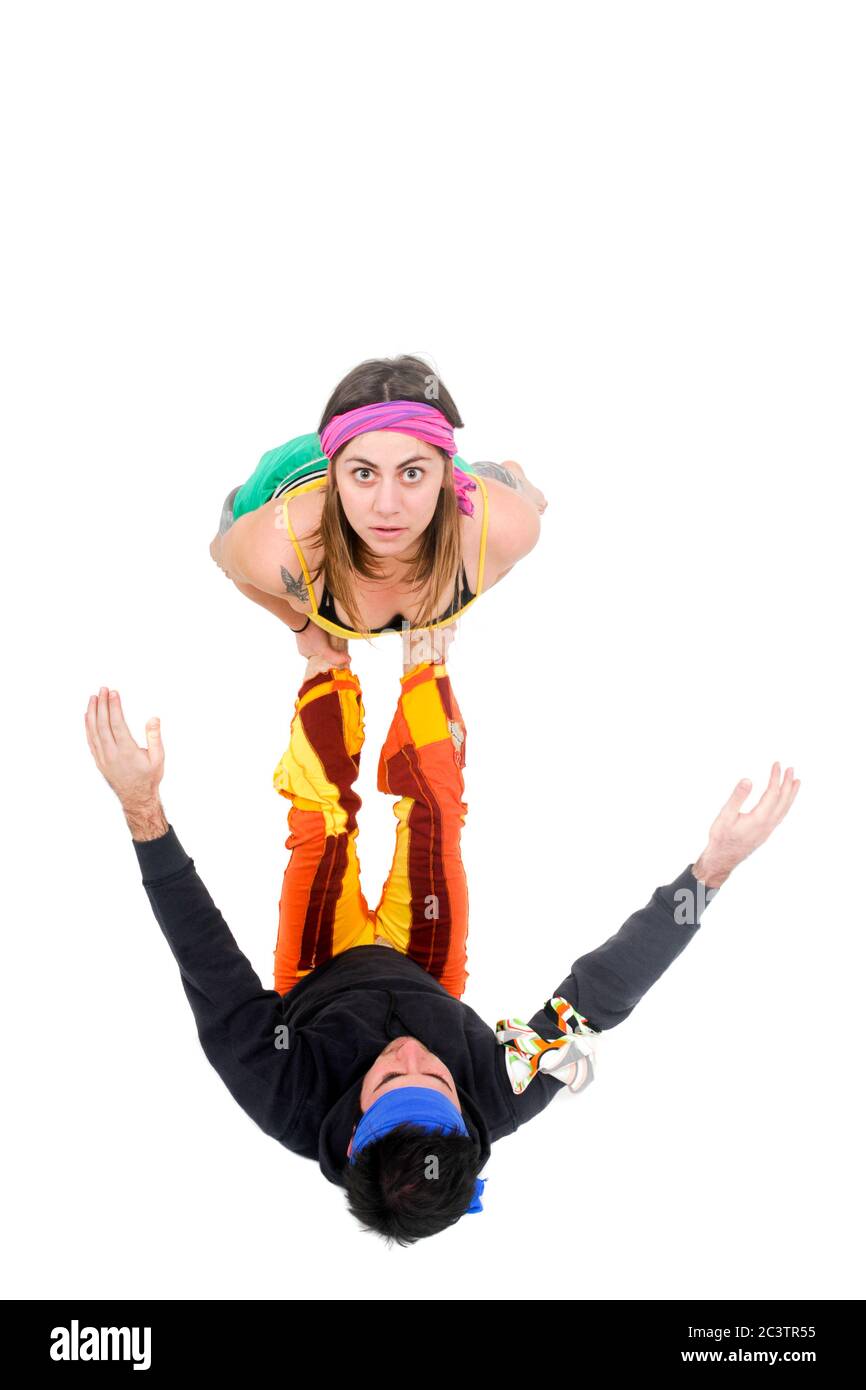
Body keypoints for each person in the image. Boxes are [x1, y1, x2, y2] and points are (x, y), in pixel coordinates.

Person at [84, 678, 800, 1245]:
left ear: (351, 1119)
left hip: (318, 966)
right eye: (436, 1077)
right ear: (467, 1112)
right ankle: (427, 645)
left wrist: (143, 810)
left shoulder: (283, 1091)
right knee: (435, 808)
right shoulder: (503, 1091)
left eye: (388, 1078)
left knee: (323, 813)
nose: (410, 1054)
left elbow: (208, 960)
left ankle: (323, 655)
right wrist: (710, 874)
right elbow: (601, 995)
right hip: (425, 967)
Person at [208, 354, 548, 669]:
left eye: (411, 474)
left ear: (444, 477)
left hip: (458, 486)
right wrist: (302, 624)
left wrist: (439, 613)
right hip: (291, 472)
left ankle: (508, 473)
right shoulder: (280, 547)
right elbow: (222, 556)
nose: (387, 507)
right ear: (334, 476)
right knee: (236, 519)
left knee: (510, 493)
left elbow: (498, 558)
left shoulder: (504, 524)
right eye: (364, 475)